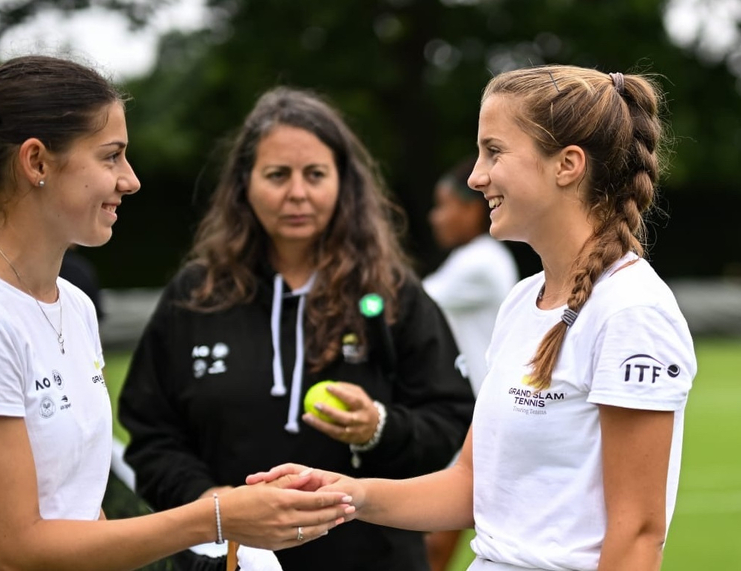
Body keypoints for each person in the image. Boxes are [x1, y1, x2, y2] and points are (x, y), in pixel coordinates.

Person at [0, 55, 352, 571]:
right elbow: (16, 552)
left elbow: (82, 518)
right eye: (111, 157)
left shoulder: (76, 305)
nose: (130, 180)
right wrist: (218, 518)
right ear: (36, 162)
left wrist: (209, 562)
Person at [248, 64, 697, 571]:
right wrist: (346, 494)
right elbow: (471, 485)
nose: (475, 176)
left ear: (567, 165)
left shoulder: (631, 311)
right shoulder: (523, 300)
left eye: (495, 151)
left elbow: (638, 536)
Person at [117, 86, 476, 571]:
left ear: (343, 183)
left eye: (315, 174)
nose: (297, 193)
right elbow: (151, 432)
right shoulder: (197, 294)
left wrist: (379, 428)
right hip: (229, 560)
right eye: (277, 175)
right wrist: (212, 505)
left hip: (372, 560)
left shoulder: (391, 292)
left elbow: (450, 419)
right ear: (245, 183)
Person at [421, 156, 518, 570]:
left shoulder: (480, 261)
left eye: (444, 205)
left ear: (472, 208)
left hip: (473, 416)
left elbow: (406, 304)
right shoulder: (473, 259)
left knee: (431, 546)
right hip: (473, 414)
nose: (434, 217)